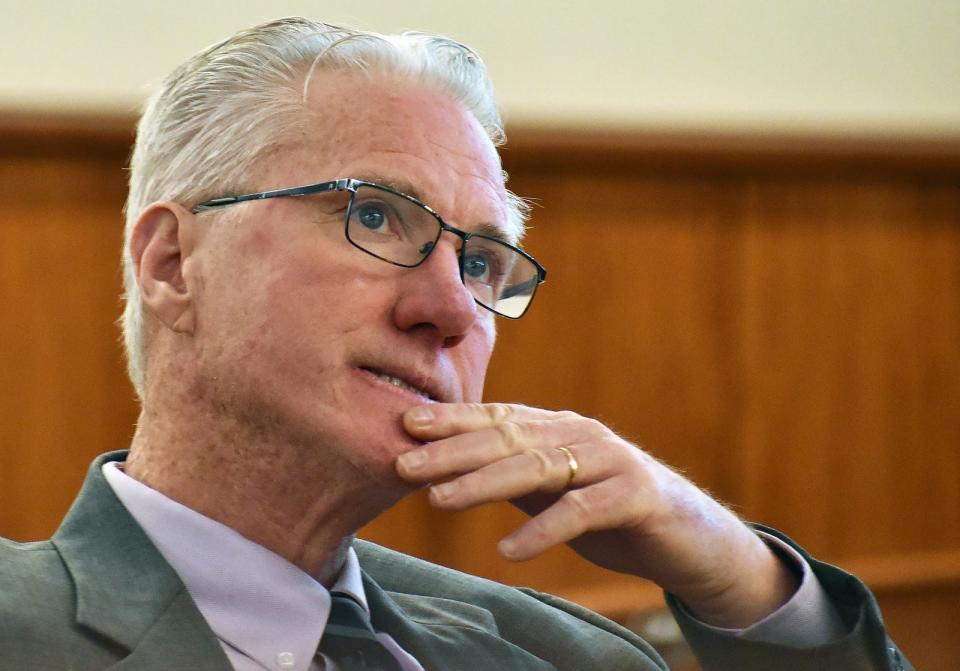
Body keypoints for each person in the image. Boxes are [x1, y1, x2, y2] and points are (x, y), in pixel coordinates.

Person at [0, 17, 910, 671]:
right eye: (373, 215)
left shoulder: (566, 655)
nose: (449, 307)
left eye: (479, 260)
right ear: (172, 264)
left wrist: (733, 569)